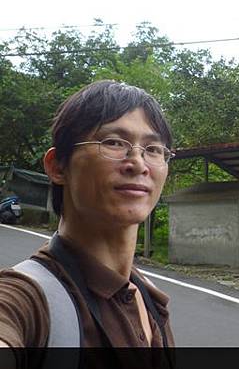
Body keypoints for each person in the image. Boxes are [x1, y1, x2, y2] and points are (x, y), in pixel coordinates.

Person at [0, 80, 176, 368]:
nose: (138, 163)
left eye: (153, 149)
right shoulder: (27, 299)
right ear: (57, 166)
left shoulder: (148, 297)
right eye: (114, 143)